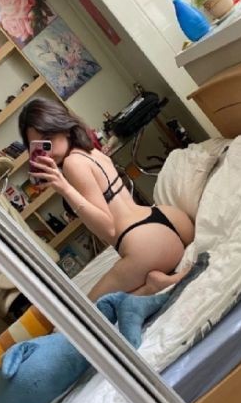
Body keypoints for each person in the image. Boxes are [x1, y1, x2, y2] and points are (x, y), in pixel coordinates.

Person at [19, 98, 194, 301]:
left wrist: (65, 189)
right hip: (169, 218)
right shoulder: (91, 151)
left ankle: (150, 288)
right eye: (40, 145)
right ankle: (155, 283)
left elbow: (108, 228)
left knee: (87, 309)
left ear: (65, 129)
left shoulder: (72, 164)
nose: (47, 151)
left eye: (48, 138)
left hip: (143, 243)